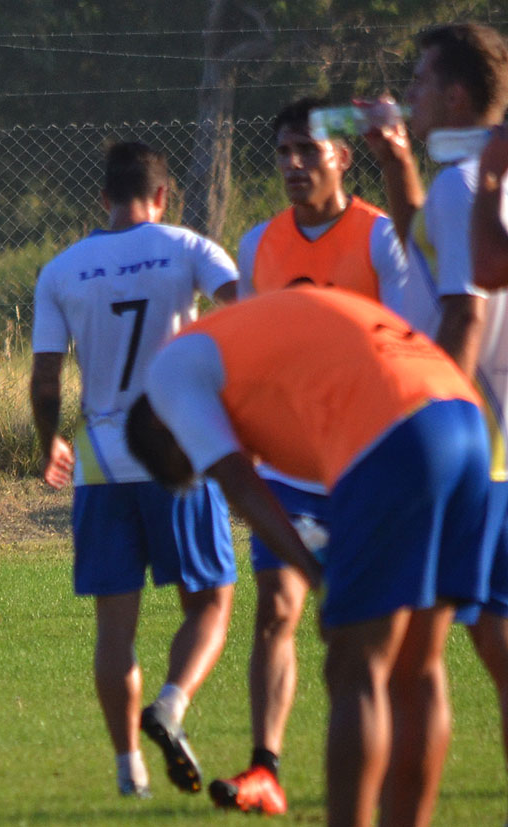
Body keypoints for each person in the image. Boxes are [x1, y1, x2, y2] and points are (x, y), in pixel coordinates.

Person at [125, 286, 491, 827]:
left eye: (192, 461)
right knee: (419, 670)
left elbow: (242, 487)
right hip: (463, 415)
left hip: (394, 428)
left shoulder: (168, 375)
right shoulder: (239, 348)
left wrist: (317, 577)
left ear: (166, 430)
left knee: (355, 664)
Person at [208, 97, 429, 815]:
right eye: (283, 152)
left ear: (343, 157)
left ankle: (383, 761)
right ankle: (264, 767)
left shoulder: (380, 238)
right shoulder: (257, 244)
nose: (295, 164)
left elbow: (402, 346)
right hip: (288, 468)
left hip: (367, 463)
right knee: (276, 609)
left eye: (309, 149)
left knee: (359, 637)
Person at [29, 141, 238, 798]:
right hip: (177, 448)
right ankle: (171, 706)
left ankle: (129, 771)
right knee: (209, 600)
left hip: (100, 460)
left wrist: (49, 441)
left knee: (114, 627)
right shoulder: (189, 249)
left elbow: (43, 379)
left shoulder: (62, 268)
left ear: (103, 197)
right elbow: (250, 314)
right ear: (163, 194)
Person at [366, 22, 508, 823]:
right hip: (497, 449)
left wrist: (430, 430)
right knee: (494, 645)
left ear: (455, 95)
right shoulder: (471, 184)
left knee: (411, 660)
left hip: (462, 451)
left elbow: (462, 313)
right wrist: (395, 164)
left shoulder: (464, 186)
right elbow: (434, 250)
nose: (409, 93)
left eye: (419, 82)